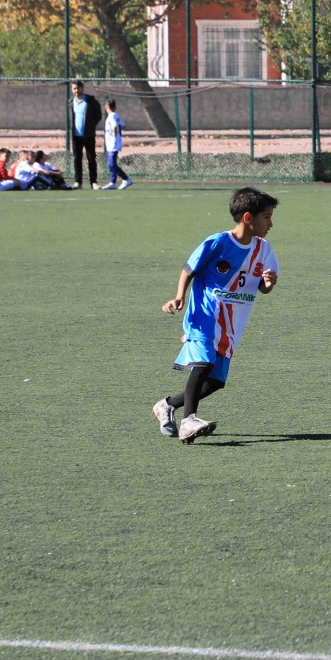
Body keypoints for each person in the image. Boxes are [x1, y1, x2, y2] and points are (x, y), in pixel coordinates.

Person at [154, 187, 280, 443]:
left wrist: (270, 281)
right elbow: (189, 270)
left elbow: (263, 289)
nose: (271, 223)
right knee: (203, 363)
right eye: (266, 217)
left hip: (232, 323)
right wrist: (179, 296)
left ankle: (166, 405)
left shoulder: (263, 250)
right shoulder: (217, 243)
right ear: (248, 218)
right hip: (204, 314)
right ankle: (189, 420)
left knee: (215, 382)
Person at [68, 80, 103, 190]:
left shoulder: (91, 101)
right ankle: (78, 182)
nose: (77, 91)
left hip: (88, 136)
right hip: (76, 136)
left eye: (78, 88)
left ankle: (94, 182)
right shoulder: (71, 102)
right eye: (74, 88)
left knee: (91, 159)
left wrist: (90, 126)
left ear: (82, 88)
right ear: (72, 90)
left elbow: (98, 115)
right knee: (77, 159)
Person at [102, 97, 133, 190]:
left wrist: (114, 133)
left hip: (113, 143)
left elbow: (115, 125)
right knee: (111, 163)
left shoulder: (112, 116)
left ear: (106, 108)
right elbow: (123, 125)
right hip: (111, 143)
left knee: (111, 164)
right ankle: (112, 182)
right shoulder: (115, 115)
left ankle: (126, 179)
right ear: (115, 106)